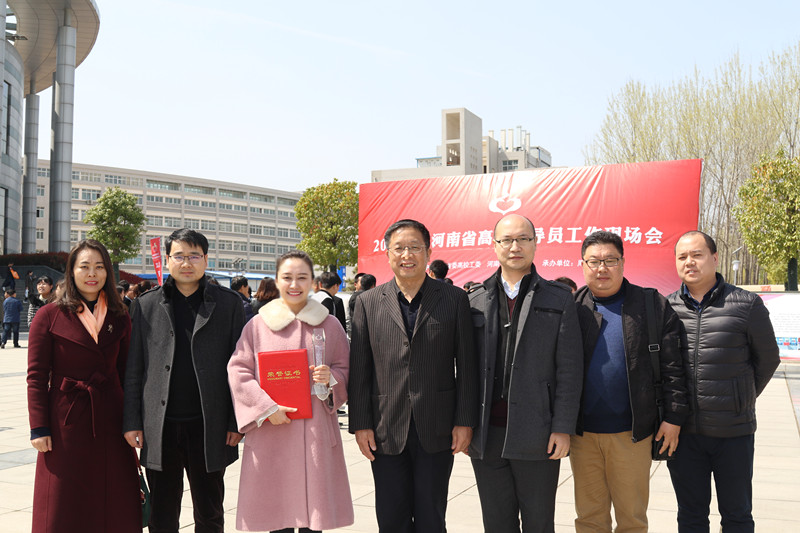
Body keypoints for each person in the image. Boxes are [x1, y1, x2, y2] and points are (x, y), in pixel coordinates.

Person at [349, 218, 477, 532]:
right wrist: (361, 424)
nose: (407, 255)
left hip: (437, 426)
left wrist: (464, 421)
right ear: (387, 254)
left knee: (432, 516)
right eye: (399, 248)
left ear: (428, 252)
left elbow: (468, 366)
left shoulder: (454, 299)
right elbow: (360, 369)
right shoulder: (367, 302)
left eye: (415, 247)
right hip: (385, 428)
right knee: (391, 517)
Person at [123, 228, 246, 533]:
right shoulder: (146, 304)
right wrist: (132, 421)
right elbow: (135, 369)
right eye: (179, 256)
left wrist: (236, 421)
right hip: (159, 426)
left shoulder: (228, 304)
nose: (187, 263)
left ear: (206, 259)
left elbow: (241, 367)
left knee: (210, 512)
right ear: (167, 260)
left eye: (194, 256)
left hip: (210, 425)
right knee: (161, 516)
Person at [468, 214, 583, 532]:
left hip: (538, 433)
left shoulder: (558, 297)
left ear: (535, 243)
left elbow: (570, 369)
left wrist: (562, 427)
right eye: (506, 240)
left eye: (523, 239)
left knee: (539, 522)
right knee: (496, 523)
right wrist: (465, 425)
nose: (515, 246)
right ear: (494, 245)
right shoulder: (475, 299)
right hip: (487, 435)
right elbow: (464, 371)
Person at [227, 250, 354, 532]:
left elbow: (347, 369)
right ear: (277, 280)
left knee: (314, 518)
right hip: (273, 431)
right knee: (278, 516)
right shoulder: (258, 325)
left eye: (302, 277)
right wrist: (265, 408)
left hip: (316, 433)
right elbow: (238, 371)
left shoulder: (329, 324)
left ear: (313, 282)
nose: (294, 284)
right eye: (287, 277)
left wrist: (332, 378)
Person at [573, 231, 688, 533]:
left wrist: (674, 417)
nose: (602, 268)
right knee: (589, 519)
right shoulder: (572, 308)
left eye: (610, 260)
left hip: (632, 434)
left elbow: (674, 366)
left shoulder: (650, 304)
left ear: (623, 262)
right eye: (594, 261)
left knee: (632, 520)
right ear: (582, 265)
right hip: (583, 436)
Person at [667, 231, 780, 532]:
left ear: (715, 258)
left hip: (733, 432)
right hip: (684, 434)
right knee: (690, 516)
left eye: (697, 255)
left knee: (737, 515)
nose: (689, 262)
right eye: (682, 257)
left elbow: (768, 359)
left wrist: (741, 396)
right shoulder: (667, 308)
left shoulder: (746, 304)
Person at [26, 239, 140, 532]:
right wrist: (39, 428)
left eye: (99, 267)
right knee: (63, 502)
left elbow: (128, 373)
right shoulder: (48, 315)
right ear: (72, 271)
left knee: (113, 498)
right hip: (65, 420)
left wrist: (133, 421)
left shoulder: (119, 315)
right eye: (85, 266)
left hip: (112, 418)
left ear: (108, 272)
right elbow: (36, 376)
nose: (92, 273)